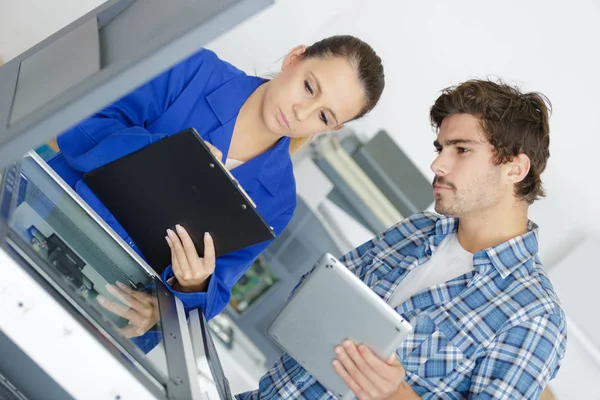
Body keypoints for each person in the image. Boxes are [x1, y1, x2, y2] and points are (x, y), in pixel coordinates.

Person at [238, 79, 567, 399]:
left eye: (462, 149)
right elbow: (304, 303)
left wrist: (395, 395)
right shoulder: (415, 230)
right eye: (440, 148)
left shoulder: (533, 315)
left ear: (515, 168)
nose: (437, 164)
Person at [47, 35, 385, 329]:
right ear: (294, 58)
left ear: (332, 129)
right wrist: (164, 153)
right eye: (309, 87)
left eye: (324, 116)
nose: (301, 112)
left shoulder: (279, 201)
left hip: (104, 299)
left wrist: (186, 290)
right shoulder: (194, 70)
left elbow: (210, 294)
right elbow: (82, 124)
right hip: (45, 217)